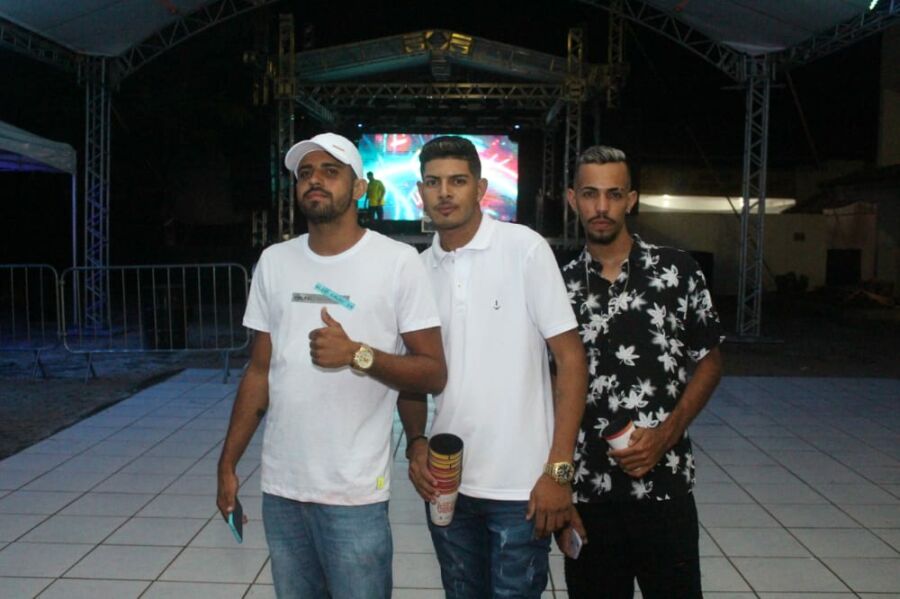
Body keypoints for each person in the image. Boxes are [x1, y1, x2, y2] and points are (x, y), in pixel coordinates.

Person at [216, 132, 447, 599]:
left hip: (354, 492)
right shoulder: (274, 261)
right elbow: (259, 371)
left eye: (330, 171)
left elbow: (431, 372)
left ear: (359, 188)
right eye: (305, 173)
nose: (314, 180)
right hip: (282, 488)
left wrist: (358, 354)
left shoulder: (398, 262)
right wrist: (228, 463)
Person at [398, 136, 588, 598]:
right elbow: (411, 375)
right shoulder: (415, 271)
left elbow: (571, 359)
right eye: (433, 182)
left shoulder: (524, 248)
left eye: (458, 181)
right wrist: (416, 444)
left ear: (481, 188)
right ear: (420, 192)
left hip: (521, 487)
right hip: (446, 482)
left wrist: (559, 472)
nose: (445, 192)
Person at [559, 145, 724, 599]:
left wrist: (665, 434)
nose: (602, 207)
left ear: (631, 200)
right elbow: (545, 389)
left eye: (614, 194)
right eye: (590, 194)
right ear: (572, 199)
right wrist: (558, 484)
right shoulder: (557, 284)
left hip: (665, 487)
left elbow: (709, 360)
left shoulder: (678, 272)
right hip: (587, 494)